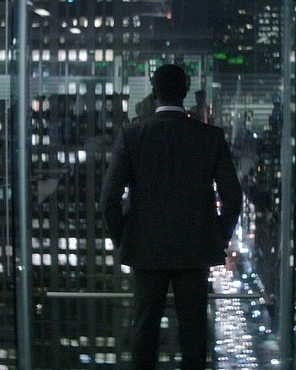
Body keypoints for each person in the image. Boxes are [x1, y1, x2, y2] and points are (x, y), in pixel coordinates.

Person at [99, 64, 243, 370]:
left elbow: (108, 200)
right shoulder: (210, 137)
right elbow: (233, 198)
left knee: (144, 331)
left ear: (154, 92)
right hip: (195, 250)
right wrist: (217, 237)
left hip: (146, 249)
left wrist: (125, 240)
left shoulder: (132, 135)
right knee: (194, 334)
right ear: (186, 91)